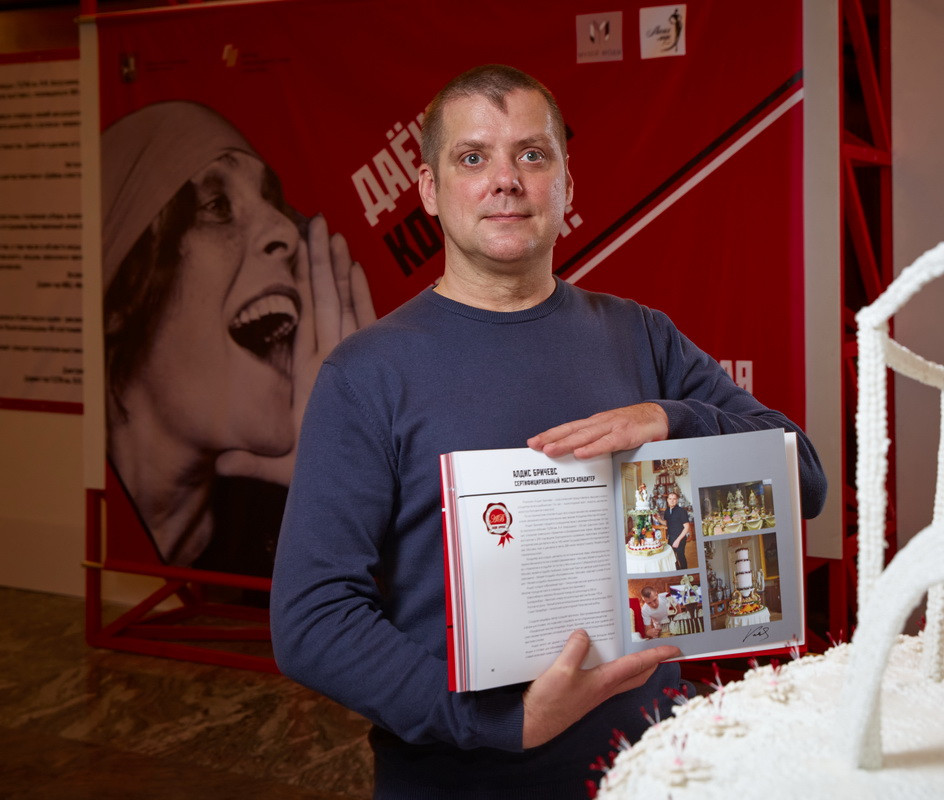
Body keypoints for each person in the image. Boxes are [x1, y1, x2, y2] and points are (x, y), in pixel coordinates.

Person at [270, 64, 826, 797]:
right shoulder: (367, 374)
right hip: (464, 782)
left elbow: (805, 479)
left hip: (652, 769)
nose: (506, 180)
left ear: (566, 184)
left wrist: (673, 419)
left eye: (532, 155)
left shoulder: (641, 336)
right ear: (429, 190)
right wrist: (501, 722)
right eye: (473, 157)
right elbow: (312, 619)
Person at [102, 101, 375, 575]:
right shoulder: (68, 516)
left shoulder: (275, 526)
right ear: (124, 293)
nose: (285, 229)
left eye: (272, 201)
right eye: (216, 207)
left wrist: (340, 480)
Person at [658, 491, 694, 569]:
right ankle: (677, 570)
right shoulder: (667, 511)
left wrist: (678, 540)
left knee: (680, 556)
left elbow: (687, 527)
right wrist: (658, 518)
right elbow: (667, 523)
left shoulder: (681, 511)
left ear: (677, 500)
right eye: (670, 499)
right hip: (671, 537)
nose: (672, 501)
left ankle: (685, 573)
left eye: (674, 499)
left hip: (680, 538)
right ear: (667, 500)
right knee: (672, 556)